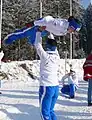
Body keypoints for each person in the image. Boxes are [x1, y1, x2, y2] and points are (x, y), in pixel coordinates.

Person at [4, 16, 82, 45]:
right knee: (23, 33)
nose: (73, 32)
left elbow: (54, 31)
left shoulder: (65, 31)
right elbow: (48, 19)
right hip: (41, 24)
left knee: (34, 42)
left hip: (44, 30)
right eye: (74, 30)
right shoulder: (61, 24)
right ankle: (8, 38)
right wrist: (34, 23)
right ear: (71, 26)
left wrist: (48, 34)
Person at [34, 32, 60, 120]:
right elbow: (52, 44)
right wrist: (50, 33)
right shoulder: (57, 56)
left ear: (47, 46)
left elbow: (38, 45)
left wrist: (38, 32)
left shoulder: (45, 57)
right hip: (56, 87)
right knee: (51, 111)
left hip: (46, 87)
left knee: (44, 113)